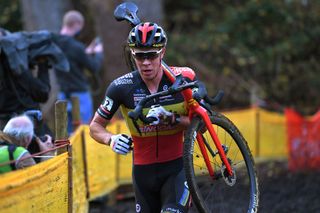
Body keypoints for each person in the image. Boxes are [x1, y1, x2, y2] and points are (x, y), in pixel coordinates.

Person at [90, 22, 196, 213]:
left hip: (177, 169)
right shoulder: (121, 87)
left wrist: (171, 119)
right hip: (142, 174)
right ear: (132, 54)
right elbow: (95, 126)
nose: (146, 62)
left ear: (162, 52)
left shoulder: (183, 79)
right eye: (139, 55)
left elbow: (202, 125)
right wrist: (110, 139)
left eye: (151, 55)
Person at [54, 10, 103, 133]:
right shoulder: (76, 47)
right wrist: (97, 53)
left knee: (66, 133)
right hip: (80, 95)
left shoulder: (55, 44)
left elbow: (71, 60)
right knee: (83, 131)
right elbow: (94, 67)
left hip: (62, 95)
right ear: (76, 24)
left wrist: (85, 53)